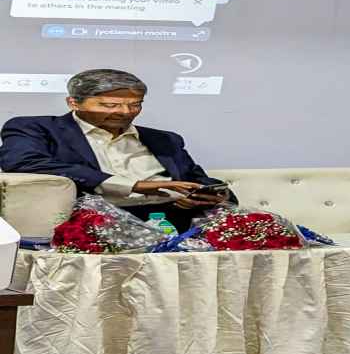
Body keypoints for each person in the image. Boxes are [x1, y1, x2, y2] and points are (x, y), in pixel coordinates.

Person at [0, 69, 234, 232]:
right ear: (73, 103)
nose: (125, 112)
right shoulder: (37, 128)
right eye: (110, 105)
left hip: (173, 223)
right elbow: (23, 162)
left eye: (135, 104)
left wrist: (208, 196)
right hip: (96, 223)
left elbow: (197, 178)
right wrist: (134, 185)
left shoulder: (164, 139)